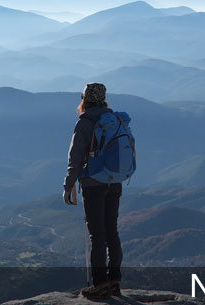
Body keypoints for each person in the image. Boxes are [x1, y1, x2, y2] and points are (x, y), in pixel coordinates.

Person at [64, 82, 123, 299]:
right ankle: (115, 280)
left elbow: (75, 159)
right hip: (114, 182)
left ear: (85, 99)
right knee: (112, 232)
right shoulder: (114, 119)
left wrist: (68, 186)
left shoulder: (85, 122)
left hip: (93, 185)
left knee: (97, 235)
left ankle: (99, 284)